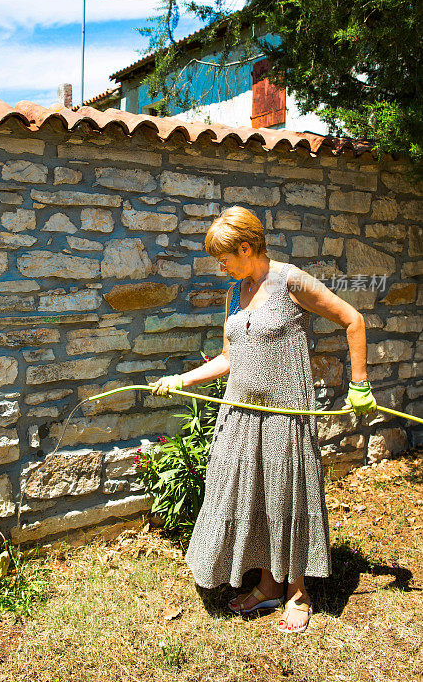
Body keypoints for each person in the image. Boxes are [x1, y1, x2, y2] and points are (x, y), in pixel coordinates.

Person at [151, 205, 377, 634]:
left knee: (285, 496)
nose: (220, 267)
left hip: (284, 414)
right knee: (249, 496)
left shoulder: (291, 281)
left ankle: (297, 592)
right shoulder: (235, 293)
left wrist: (360, 384)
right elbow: (228, 358)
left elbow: (353, 320)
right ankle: (268, 582)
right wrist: (182, 378)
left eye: (224, 258)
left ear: (247, 247)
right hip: (240, 413)